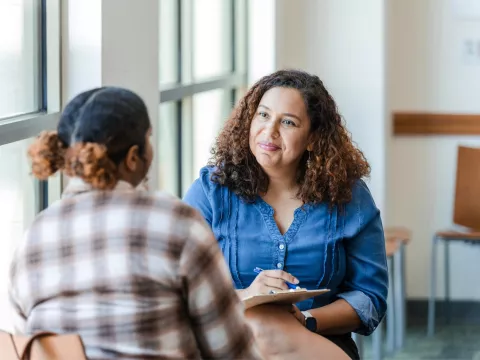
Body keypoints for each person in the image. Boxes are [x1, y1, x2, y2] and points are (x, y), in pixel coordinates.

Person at [8, 87, 263, 360]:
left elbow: (25, 344)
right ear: (132, 158)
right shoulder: (176, 224)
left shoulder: (33, 237)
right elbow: (232, 351)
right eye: (149, 139)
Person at [183, 69, 389, 359]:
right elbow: (179, 290)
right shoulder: (211, 192)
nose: (270, 131)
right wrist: (245, 298)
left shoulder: (350, 197)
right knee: (260, 328)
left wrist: (306, 320)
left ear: (313, 138)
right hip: (232, 343)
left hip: (316, 341)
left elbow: (370, 298)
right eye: (263, 115)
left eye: (288, 122)